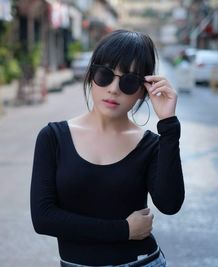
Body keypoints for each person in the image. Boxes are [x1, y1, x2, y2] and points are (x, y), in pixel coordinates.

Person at [30, 30, 184, 267]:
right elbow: (44, 219)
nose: (114, 88)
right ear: (92, 76)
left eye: (129, 81)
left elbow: (170, 204)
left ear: (144, 89)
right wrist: (123, 230)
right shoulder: (53, 137)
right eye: (105, 75)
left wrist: (169, 125)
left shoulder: (150, 145)